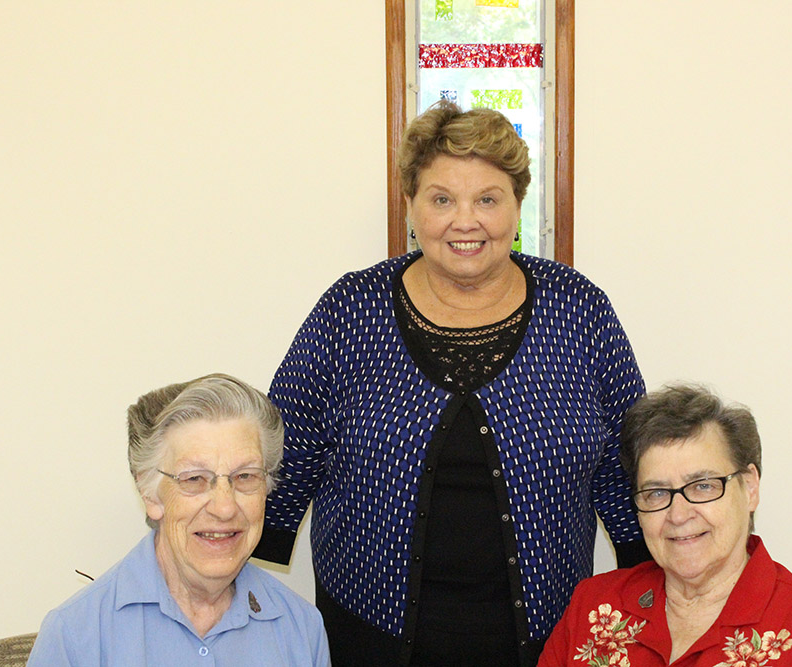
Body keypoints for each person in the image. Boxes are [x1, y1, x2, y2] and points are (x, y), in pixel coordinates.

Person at [253, 101, 647, 666]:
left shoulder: (578, 308)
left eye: (488, 198)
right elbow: (283, 448)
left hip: (545, 635)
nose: (466, 221)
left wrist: (656, 568)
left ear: (516, 204)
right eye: (442, 200)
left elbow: (629, 458)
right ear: (410, 206)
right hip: (371, 630)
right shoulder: (351, 310)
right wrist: (231, 555)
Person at [539, 384, 792, 666]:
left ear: (750, 487)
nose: (679, 514)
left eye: (702, 486)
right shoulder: (593, 608)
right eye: (657, 493)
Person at [28, 374, 330, 666]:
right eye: (195, 478)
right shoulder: (76, 637)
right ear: (149, 494)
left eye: (245, 476)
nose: (224, 508)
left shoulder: (302, 629)